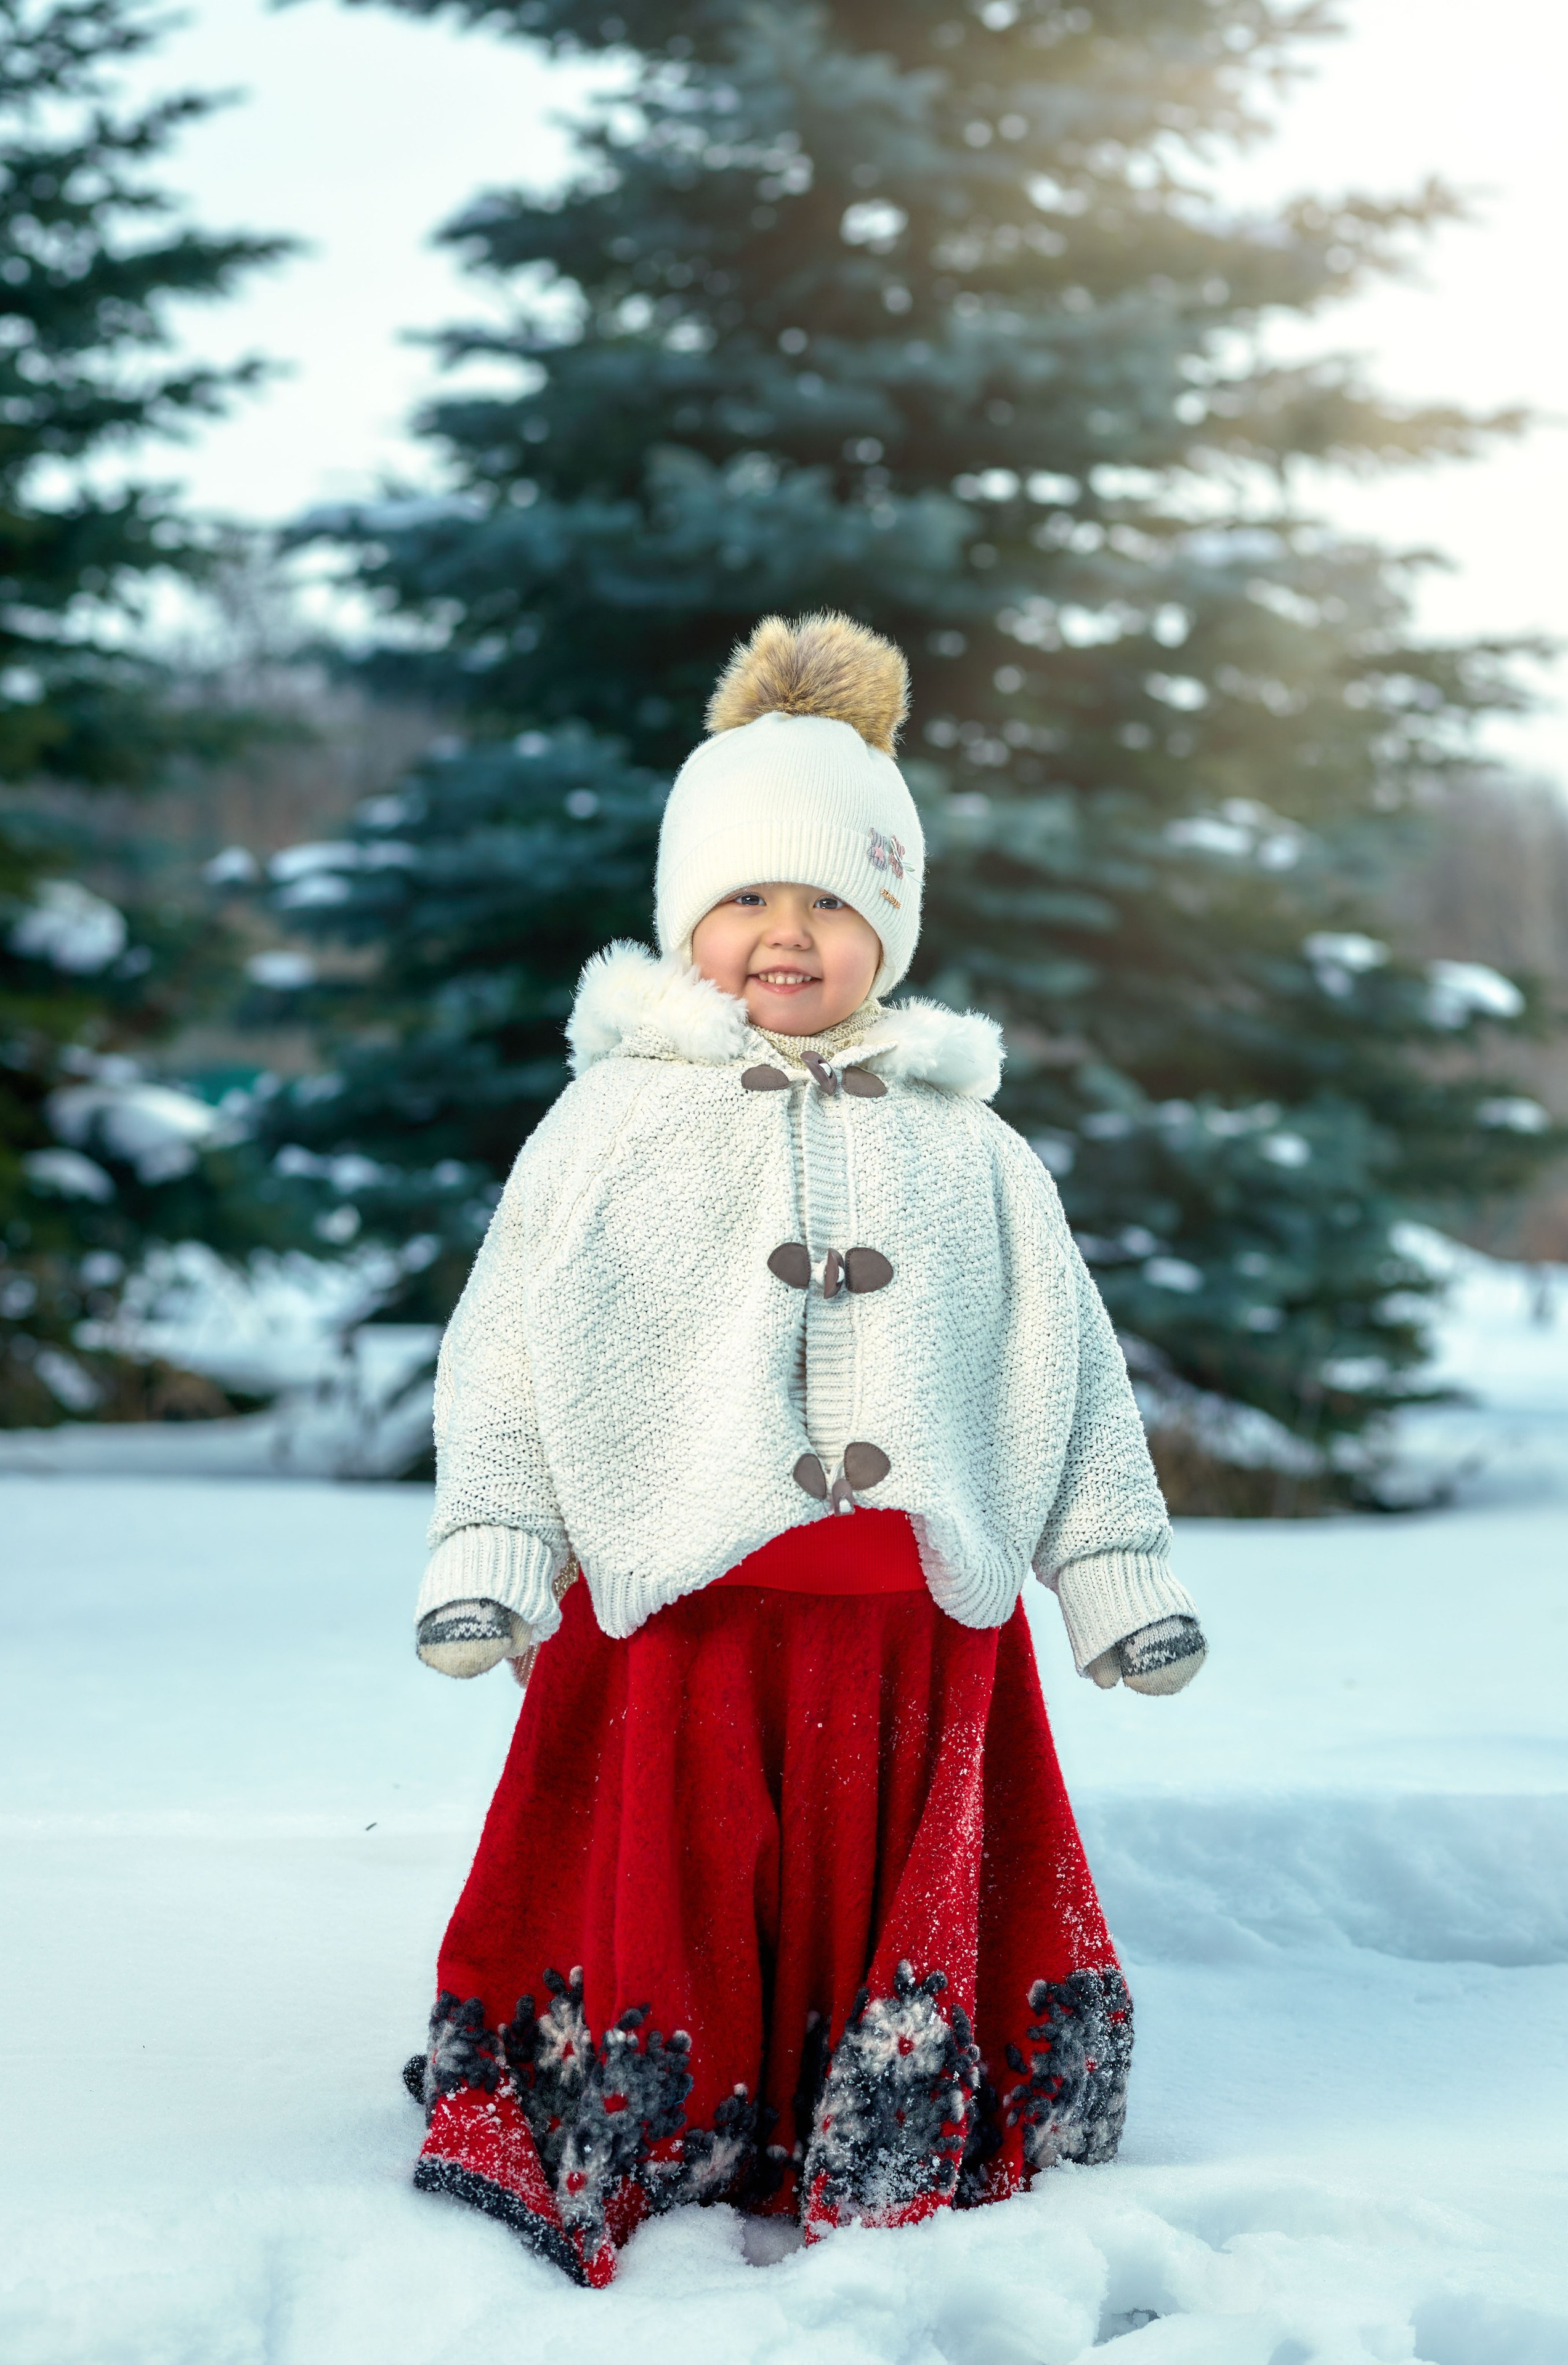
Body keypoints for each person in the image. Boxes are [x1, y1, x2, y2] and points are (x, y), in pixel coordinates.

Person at [403, 612, 1206, 2287]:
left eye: (835, 900)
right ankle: (685, 2113)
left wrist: (1113, 1576)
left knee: (868, 1871)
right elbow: (509, 1354)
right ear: (686, 914)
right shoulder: (612, 1124)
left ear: (891, 927)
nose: (790, 934)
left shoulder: (969, 1143)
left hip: (913, 1619)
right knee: (685, 1880)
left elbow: (1067, 1362)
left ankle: (871, 2108)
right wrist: (495, 1549)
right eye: (751, 897)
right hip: (673, 1613)